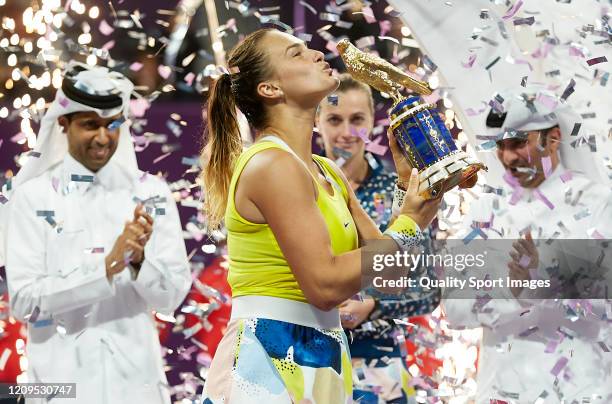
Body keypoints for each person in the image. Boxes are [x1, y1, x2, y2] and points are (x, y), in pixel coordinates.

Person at [199, 28, 442, 403]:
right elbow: (325, 287)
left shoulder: (327, 170)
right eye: (295, 54)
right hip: (269, 355)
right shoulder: (270, 164)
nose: (315, 52)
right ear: (270, 89)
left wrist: (405, 192)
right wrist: (409, 223)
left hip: (324, 355)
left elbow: (391, 271)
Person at [2, 63, 192, 404]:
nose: (103, 137)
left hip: (138, 385)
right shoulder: (33, 197)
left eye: (113, 124)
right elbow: (23, 303)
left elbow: (171, 298)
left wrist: (138, 263)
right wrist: (105, 267)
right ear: (64, 123)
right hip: (60, 390)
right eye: (90, 125)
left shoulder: (151, 192)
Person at [442, 87, 612, 403]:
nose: (508, 157)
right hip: (501, 388)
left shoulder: (599, 203)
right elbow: (453, 307)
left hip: (582, 388)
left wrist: (540, 285)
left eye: (519, 143)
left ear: (553, 138)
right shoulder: (485, 211)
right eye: (501, 146)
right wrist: (514, 293)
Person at [316, 73, 440, 403]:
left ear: (373, 122)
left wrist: (372, 307)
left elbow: (427, 290)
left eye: (356, 119)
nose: (345, 132)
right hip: (310, 357)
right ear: (317, 121)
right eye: (334, 119)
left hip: (380, 363)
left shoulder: (402, 191)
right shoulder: (302, 191)